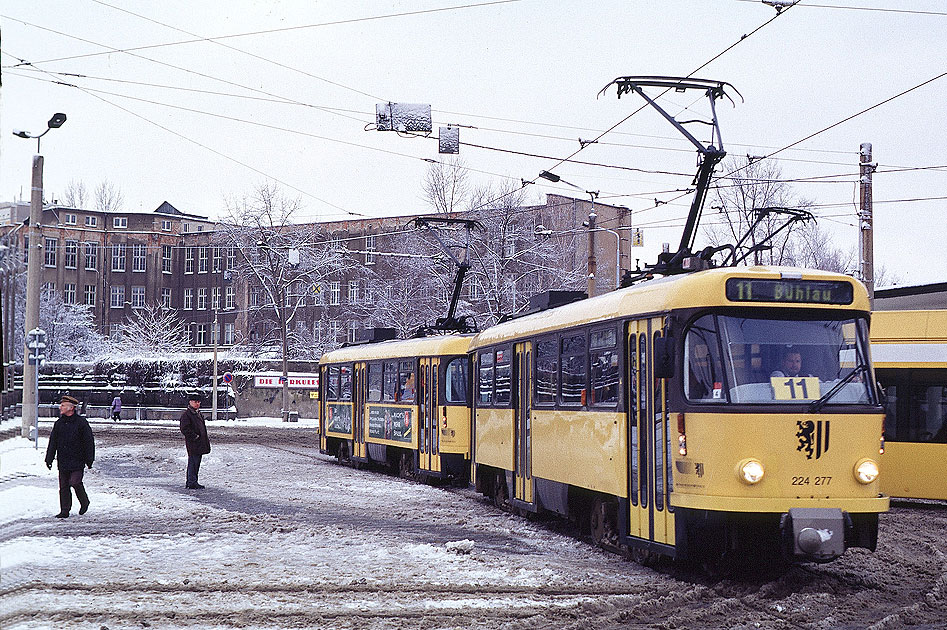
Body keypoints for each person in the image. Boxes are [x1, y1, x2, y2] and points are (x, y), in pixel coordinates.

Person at [45, 395, 95, 518]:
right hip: (63, 460)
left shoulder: (81, 423)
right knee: (63, 486)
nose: (60, 407)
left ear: (71, 408)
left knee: (75, 482)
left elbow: (89, 442)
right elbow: (53, 442)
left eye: (63, 405)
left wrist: (89, 459)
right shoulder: (59, 423)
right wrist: (49, 458)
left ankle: (84, 501)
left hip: (78, 460)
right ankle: (65, 510)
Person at [179, 392, 211, 489]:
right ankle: (191, 482)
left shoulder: (198, 413)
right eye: (195, 402)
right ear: (190, 402)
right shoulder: (187, 415)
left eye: (198, 402)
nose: (197, 404)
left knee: (196, 463)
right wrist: (195, 437)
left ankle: (192, 481)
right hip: (193, 443)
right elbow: (184, 429)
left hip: (199, 443)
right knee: (193, 462)